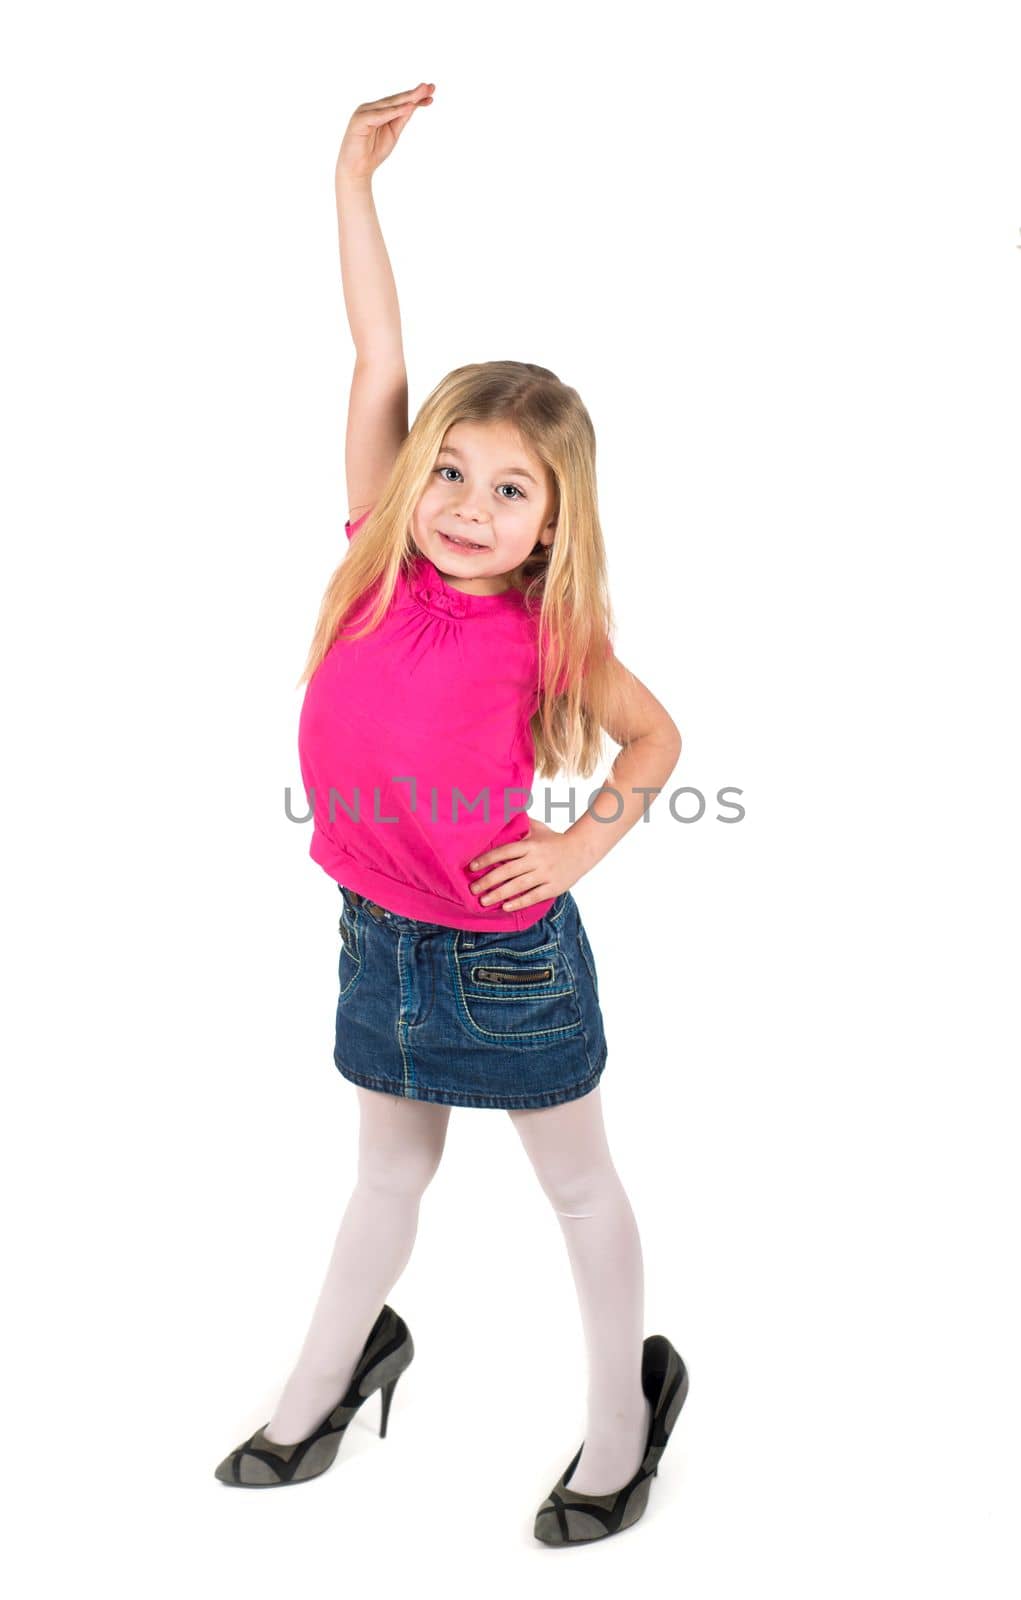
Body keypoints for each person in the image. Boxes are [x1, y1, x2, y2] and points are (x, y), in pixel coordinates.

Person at [215, 81, 689, 1545]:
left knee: (577, 1188)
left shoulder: (549, 634)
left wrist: (579, 841)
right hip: (377, 936)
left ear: (553, 521)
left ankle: (624, 1421)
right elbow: (379, 351)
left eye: (511, 490)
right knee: (384, 1175)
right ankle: (328, 1376)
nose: (470, 506)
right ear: (414, 477)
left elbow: (657, 738)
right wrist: (351, 182)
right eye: (455, 474)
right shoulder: (378, 559)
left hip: (502, 948)